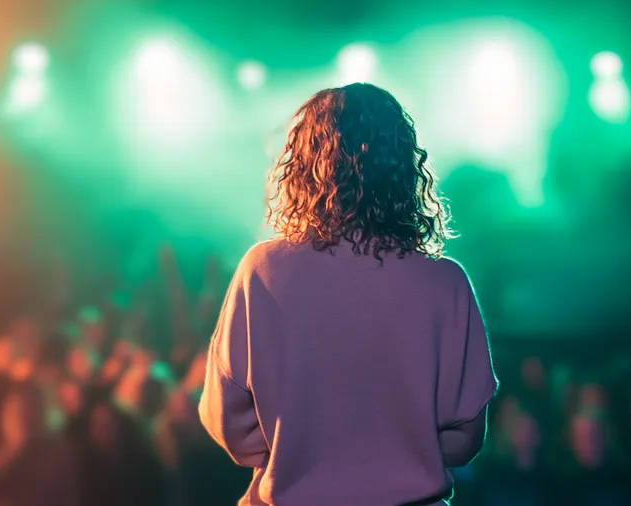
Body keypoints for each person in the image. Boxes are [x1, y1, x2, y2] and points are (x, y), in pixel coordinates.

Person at [198, 83, 499, 505]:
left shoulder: (261, 271)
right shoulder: (444, 281)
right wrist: (401, 460)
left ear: (302, 165)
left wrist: (297, 457)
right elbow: (465, 436)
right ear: (403, 166)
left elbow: (229, 424)